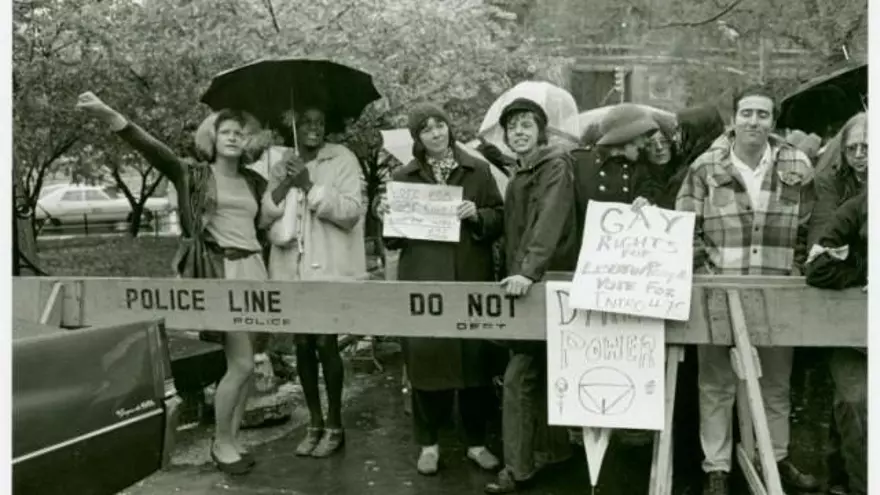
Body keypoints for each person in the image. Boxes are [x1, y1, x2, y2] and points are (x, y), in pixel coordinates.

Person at [75, 92, 269, 476]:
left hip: (256, 271)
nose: (232, 137)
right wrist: (113, 114)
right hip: (219, 274)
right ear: (212, 139)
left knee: (250, 364)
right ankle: (221, 442)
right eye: (225, 131)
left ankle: (232, 437)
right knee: (242, 363)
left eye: (239, 132)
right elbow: (155, 152)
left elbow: (262, 225)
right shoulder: (193, 174)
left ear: (247, 141)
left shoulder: (254, 181)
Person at [675, 85, 820, 495]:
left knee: (775, 381)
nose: (754, 121)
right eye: (746, 113)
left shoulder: (797, 163)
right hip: (719, 290)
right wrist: (707, 274)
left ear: (772, 121)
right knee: (716, 383)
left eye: (762, 114)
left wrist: (794, 269)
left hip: (777, 289)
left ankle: (774, 457)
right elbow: (687, 228)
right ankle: (716, 467)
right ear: (732, 119)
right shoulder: (706, 166)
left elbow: (811, 225)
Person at [376, 103, 504, 475]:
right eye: (426, 129)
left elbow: (499, 217)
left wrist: (477, 215)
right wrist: (385, 215)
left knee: (474, 363)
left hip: (469, 276)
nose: (436, 133)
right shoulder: (404, 176)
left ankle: (477, 443)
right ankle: (428, 444)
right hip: (424, 279)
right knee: (427, 361)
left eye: (440, 126)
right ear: (417, 138)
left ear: (449, 129)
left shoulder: (477, 170)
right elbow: (394, 241)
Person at [261, 107, 367, 458]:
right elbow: (265, 215)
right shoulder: (281, 164)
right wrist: (287, 184)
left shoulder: (343, 159)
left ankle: (336, 424)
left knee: (326, 342)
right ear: (291, 125)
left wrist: (310, 186)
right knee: (303, 345)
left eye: (320, 122)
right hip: (293, 269)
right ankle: (314, 423)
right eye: (305, 122)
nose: (313, 129)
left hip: (330, 266)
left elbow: (352, 211)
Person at [485, 98, 578, 494]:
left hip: (543, 283)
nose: (518, 132)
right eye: (512, 127)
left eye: (526, 125)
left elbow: (548, 223)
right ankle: (554, 450)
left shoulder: (554, 166)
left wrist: (526, 272)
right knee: (540, 369)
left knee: (518, 376)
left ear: (542, 131)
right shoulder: (522, 172)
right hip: (530, 282)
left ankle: (517, 469)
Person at [805, 192, 868, 495]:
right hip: (856, 339)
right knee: (855, 404)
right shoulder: (855, 209)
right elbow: (817, 267)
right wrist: (864, 271)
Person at [570, 103, 661, 235]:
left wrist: (646, 201)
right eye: (642, 135)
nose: (645, 143)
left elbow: (651, 191)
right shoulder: (578, 162)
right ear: (626, 135)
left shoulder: (639, 168)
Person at [641, 105, 727, 209]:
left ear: (693, 131)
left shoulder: (690, 173)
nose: (674, 138)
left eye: (678, 131)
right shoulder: (727, 157)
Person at [809, 112, 867, 247]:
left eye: (866, 147)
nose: (858, 155)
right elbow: (821, 235)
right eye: (852, 148)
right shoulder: (829, 181)